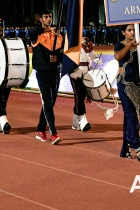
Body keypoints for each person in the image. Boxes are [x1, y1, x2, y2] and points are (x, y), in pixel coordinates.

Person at [114, 24, 140, 161]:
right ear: (123, 32)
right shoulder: (120, 45)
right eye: (129, 30)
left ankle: (125, 150)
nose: (132, 32)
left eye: (134, 30)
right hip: (124, 85)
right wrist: (130, 45)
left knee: (132, 118)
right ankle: (137, 146)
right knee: (131, 116)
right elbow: (118, 57)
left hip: (136, 86)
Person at [28, 10, 63, 145]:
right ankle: (53, 133)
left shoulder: (59, 36)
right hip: (42, 73)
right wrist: (49, 30)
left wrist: (58, 58)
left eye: (50, 17)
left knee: (50, 103)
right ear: (41, 19)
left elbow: (63, 54)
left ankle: (40, 129)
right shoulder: (36, 35)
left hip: (55, 72)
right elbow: (31, 32)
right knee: (47, 103)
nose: (49, 19)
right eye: (46, 17)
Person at [69, 37, 95, 132]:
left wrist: (96, 59)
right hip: (75, 72)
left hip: (86, 72)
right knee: (79, 95)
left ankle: (75, 123)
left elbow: (92, 56)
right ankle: (82, 119)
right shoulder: (72, 41)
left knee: (82, 96)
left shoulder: (87, 41)